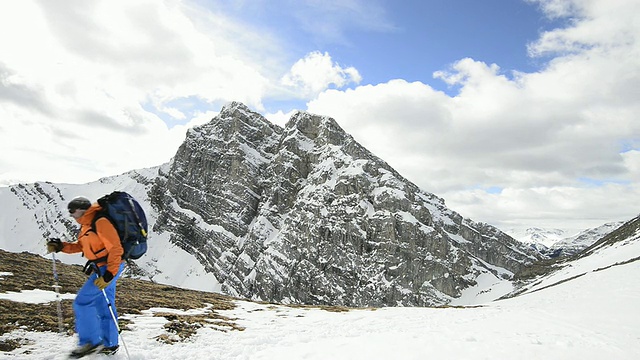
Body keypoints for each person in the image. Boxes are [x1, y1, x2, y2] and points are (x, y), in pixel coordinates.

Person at [47, 196, 125, 358]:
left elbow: (116, 248)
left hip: (109, 267)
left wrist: (109, 275)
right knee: (104, 304)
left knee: (83, 302)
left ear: (82, 211)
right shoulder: (86, 225)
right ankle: (110, 344)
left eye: (73, 213)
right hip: (102, 267)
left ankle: (90, 342)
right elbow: (82, 246)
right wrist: (61, 246)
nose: (72, 217)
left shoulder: (100, 222)